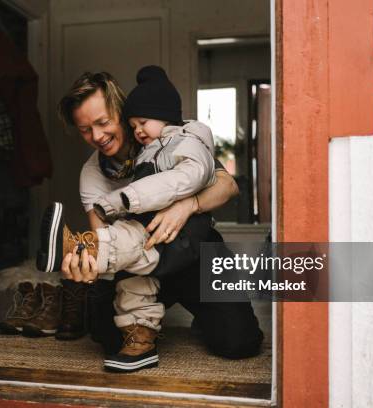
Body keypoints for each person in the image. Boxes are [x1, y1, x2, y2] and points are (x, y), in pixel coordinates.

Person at [55, 70, 264, 370]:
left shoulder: (165, 134)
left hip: (192, 251)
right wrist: (89, 266)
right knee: (107, 337)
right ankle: (140, 323)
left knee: (239, 341)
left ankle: (206, 315)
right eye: (85, 129)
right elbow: (101, 233)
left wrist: (187, 206)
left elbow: (227, 186)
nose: (97, 136)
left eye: (102, 123)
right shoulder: (92, 174)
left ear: (121, 110)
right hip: (138, 265)